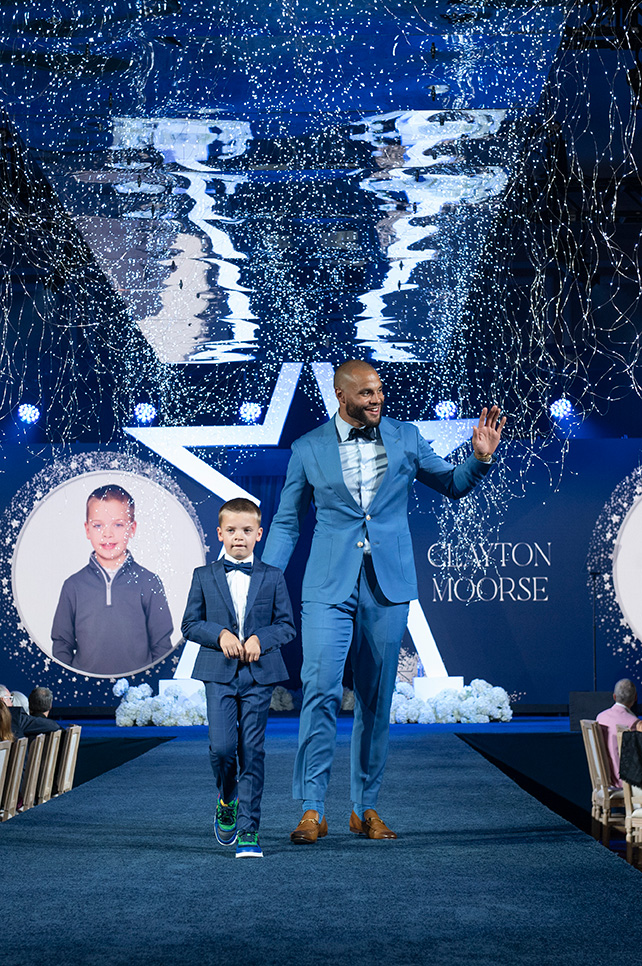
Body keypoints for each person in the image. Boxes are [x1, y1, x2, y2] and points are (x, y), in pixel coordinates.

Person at [262, 359, 505, 843]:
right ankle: (312, 809)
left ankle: (365, 808)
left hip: (387, 586)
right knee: (320, 691)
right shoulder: (308, 447)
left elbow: (452, 485)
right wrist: (263, 582)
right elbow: (287, 522)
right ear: (341, 396)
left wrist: (479, 459)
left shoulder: (406, 437)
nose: (376, 399)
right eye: (366, 393)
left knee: (376, 700)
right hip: (327, 587)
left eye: (378, 391)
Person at [181, 497, 296, 858]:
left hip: (258, 677)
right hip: (218, 674)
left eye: (247, 530)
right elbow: (190, 624)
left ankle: (249, 830)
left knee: (252, 750)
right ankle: (227, 798)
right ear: (220, 533)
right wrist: (220, 635)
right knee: (222, 748)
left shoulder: (272, 576)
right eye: (231, 530)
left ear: (259, 534)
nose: (239, 537)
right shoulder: (203, 576)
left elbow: (287, 625)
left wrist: (261, 638)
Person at [51, 484, 174, 677]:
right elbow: (61, 644)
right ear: (87, 530)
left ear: (132, 529)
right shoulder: (73, 586)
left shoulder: (149, 582)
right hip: (84, 690)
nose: (107, 533)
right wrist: (71, 680)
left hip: (138, 688)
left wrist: (150, 679)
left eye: (118, 525)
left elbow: (162, 645)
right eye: (98, 525)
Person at [597, 679, 639, 785]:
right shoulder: (634, 723)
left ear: (614, 697)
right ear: (635, 698)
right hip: (627, 784)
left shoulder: (600, 717)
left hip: (607, 782)